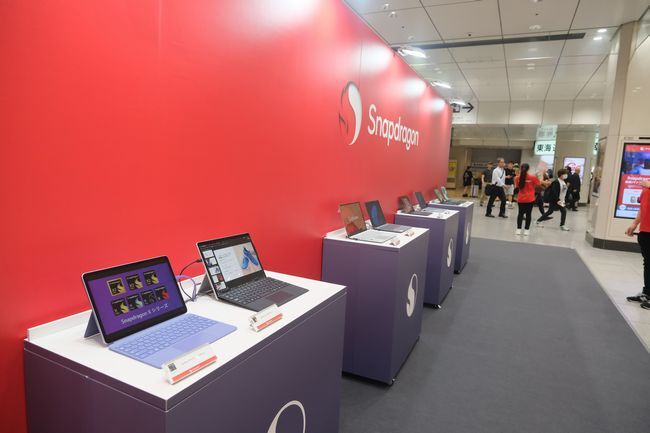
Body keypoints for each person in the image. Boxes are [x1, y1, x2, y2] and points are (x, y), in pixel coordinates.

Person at [625, 179, 650, 310]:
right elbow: (643, 207)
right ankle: (647, 293)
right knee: (648, 263)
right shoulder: (646, 186)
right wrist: (635, 223)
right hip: (645, 231)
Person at [514, 163, 540, 236]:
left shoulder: (517, 178)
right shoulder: (533, 177)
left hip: (521, 199)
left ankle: (518, 229)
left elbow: (517, 187)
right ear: (528, 169)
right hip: (530, 199)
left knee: (520, 214)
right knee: (528, 214)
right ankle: (526, 230)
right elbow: (538, 185)